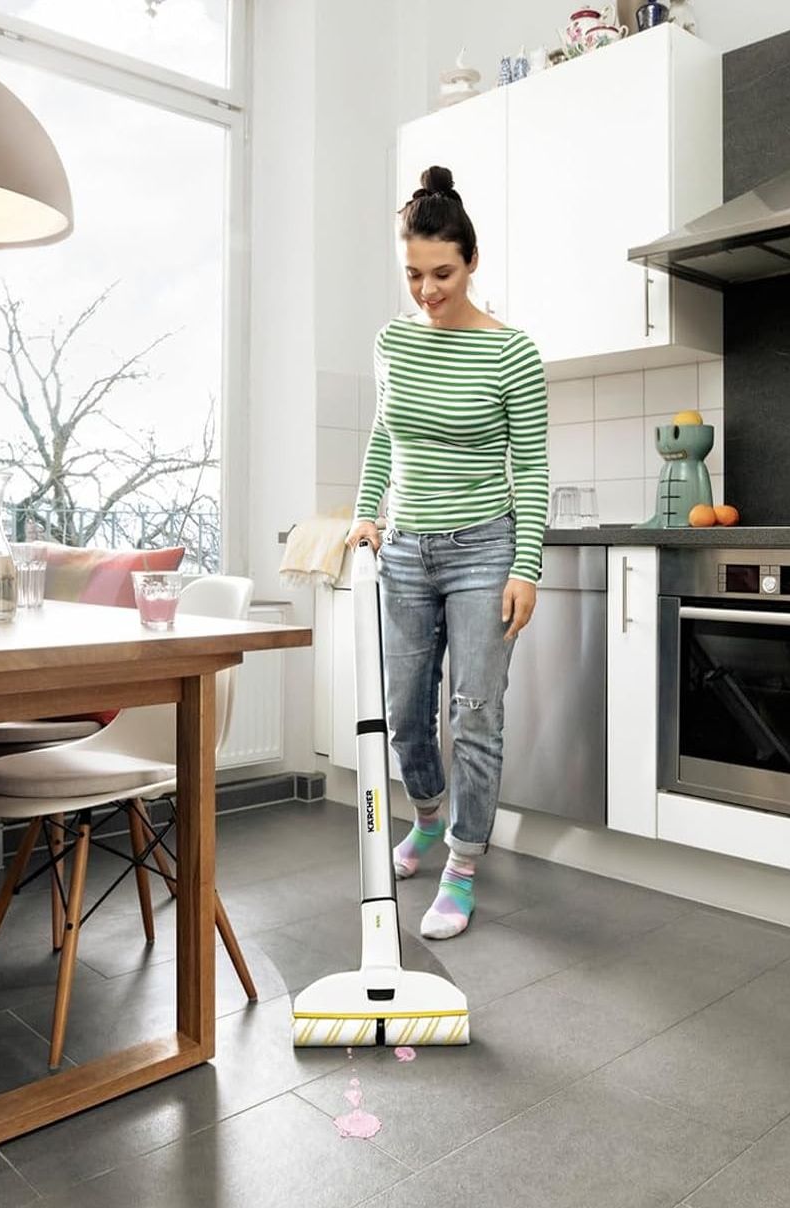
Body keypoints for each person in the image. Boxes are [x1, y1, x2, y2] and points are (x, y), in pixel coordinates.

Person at [348, 164, 549, 940]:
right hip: (404, 551)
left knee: (474, 713)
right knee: (403, 714)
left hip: (483, 552)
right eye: (413, 275)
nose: (426, 290)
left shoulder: (512, 354)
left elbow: (529, 468)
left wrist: (525, 565)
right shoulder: (393, 340)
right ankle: (427, 818)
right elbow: (381, 437)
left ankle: (462, 866)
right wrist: (367, 515)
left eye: (441, 273)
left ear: (471, 264)